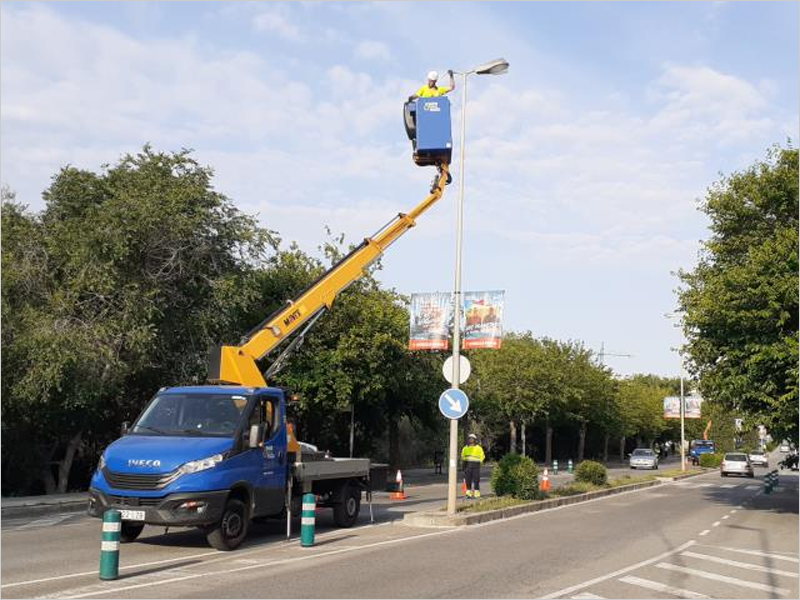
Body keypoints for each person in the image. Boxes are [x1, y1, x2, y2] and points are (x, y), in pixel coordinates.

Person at [461, 434, 485, 499]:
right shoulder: (465, 448)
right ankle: (468, 494)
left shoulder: (478, 448)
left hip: (476, 466)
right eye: (470, 438)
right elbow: (463, 457)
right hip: (467, 466)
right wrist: (463, 467)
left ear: (475, 440)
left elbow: (482, 456)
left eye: (472, 439)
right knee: (467, 480)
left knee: (476, 480)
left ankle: (477, 495)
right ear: (468, 440)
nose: (471, 440)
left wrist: (480, 461)